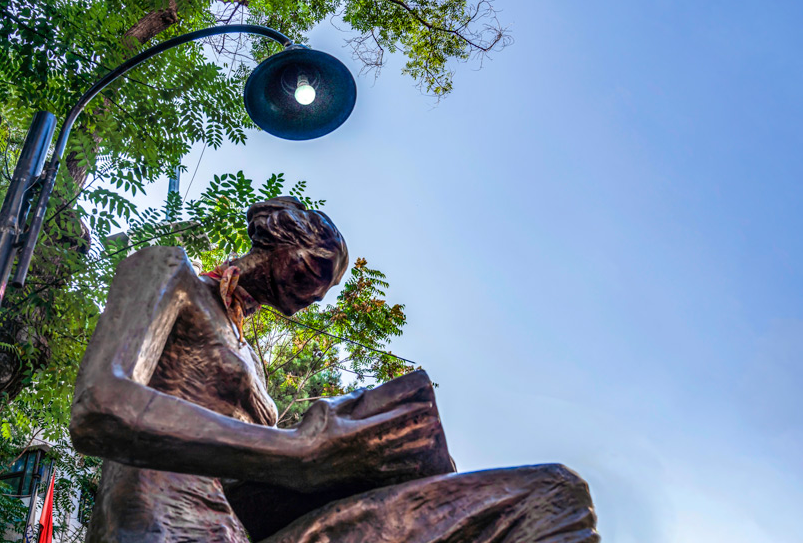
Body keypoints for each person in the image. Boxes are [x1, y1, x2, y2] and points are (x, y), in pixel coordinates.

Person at [70, 196, 598, 542]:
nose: (317, 293)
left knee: (548, 495)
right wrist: (303, 450)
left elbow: (257, 473)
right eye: (317, 268)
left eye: (327, 287)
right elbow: (100, 405)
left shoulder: (248, 351)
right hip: (157, 523)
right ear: (278, 232)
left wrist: (366, 465)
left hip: (236, 528)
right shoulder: (173, 275)